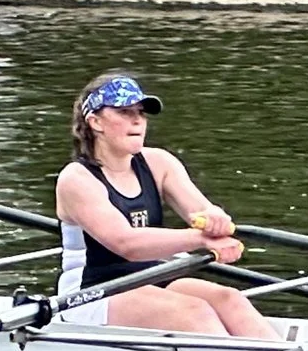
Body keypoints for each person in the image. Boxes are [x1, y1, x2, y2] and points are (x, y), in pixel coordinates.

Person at [52, 72, 280, 337]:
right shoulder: (76, 179)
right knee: (194, 311)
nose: (137, 120)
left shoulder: (159, 163)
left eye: (141, 112)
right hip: (91, 292)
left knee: (230, 299)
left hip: (150, 277)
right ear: (95, 122)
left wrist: (217, 220)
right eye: (124, 111)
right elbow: (126, 244)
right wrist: (201, 239)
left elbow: (202, 212)